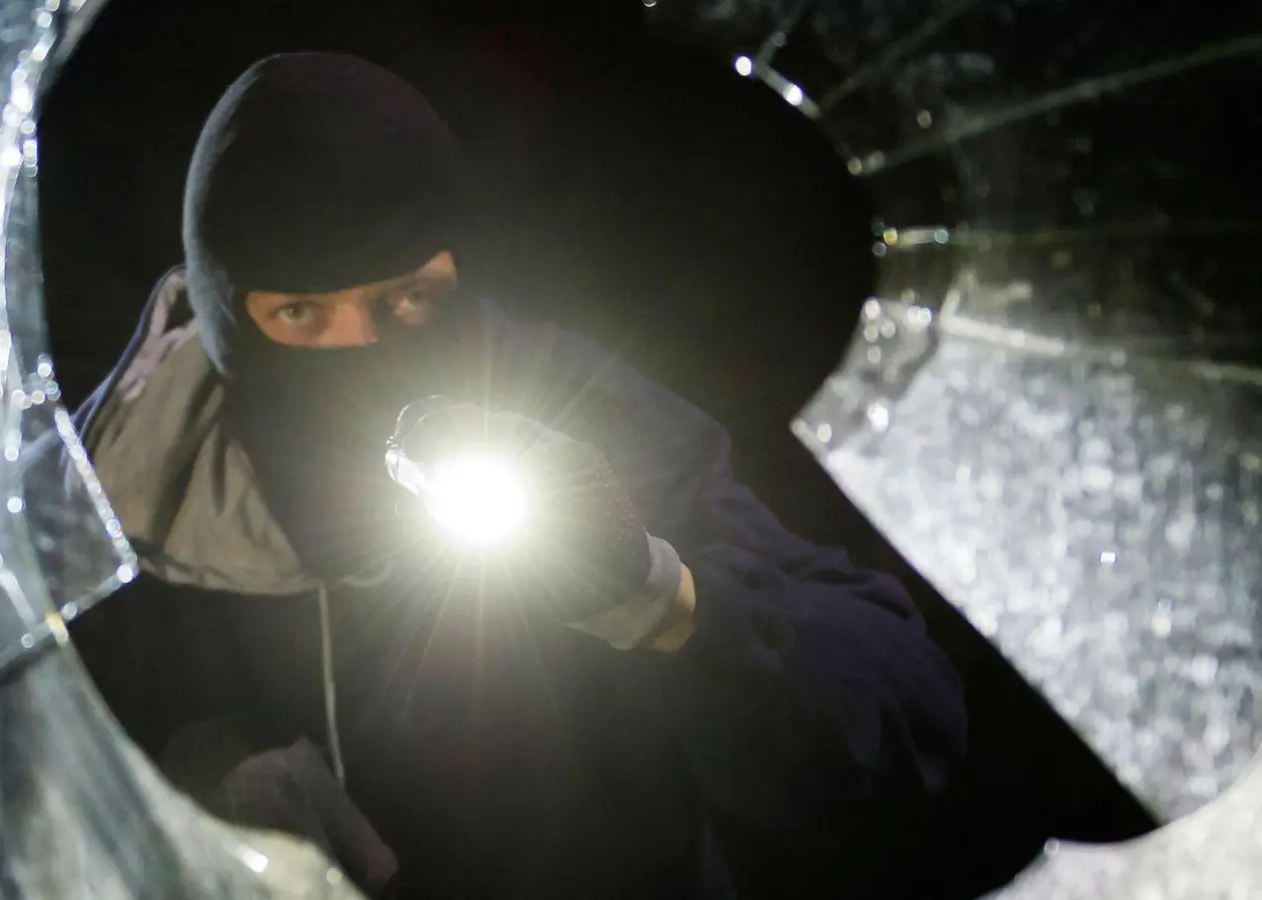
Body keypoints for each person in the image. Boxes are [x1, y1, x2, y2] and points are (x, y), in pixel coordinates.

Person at [70, 52, 967, 899]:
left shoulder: (578, 412)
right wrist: (195, 802)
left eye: (408, 298)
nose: (364, 348)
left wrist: (665, 601)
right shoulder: (134, 495)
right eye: (301, 311)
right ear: (232, 314)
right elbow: (53, 763)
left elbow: (902, 715)